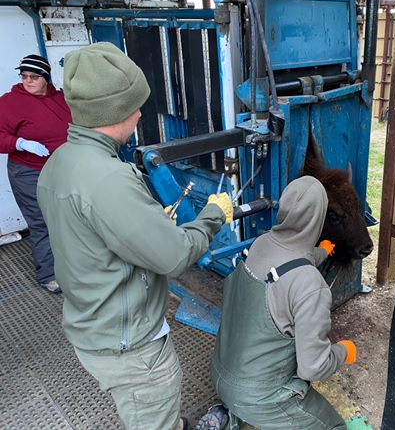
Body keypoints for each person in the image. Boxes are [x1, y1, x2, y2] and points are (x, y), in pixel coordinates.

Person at [37, 42, 234, 430]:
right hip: (132, 349)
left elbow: (92, 233)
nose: (142, 112)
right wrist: (214, 215)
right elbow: (175, 256)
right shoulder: (109, 179)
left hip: (93, 326)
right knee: (151, 412)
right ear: (114, 112)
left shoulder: (60, 161)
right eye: (135, 104)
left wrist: (143, 222)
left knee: (150, 414)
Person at [201, 176, 356, 430]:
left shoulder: (261, 244)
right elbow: (313, 368)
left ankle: (227, 415)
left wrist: (322, 252)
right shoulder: (310, 285)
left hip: (220, 374)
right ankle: (247, 412)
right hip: (261, 397)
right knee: (334, 427)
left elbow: (290, 260)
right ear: (318, 219)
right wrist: (342, 352)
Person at [0, 54, 71, 293]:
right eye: (24, 76)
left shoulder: (61, 98)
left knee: (70, 217)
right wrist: (20, 143)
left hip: (62, 167)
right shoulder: (9, 102)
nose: (28, 81)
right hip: (29, 172)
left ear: (46, 78)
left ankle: (74, 263)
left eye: (34, 77)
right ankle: (48, 275)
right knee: (42, 221)